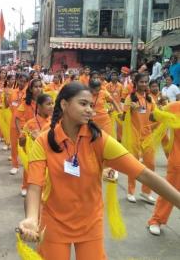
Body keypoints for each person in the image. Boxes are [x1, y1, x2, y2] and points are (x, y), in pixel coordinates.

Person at [18, 81, 180, 260]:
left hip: (90, 223)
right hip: (54, 223)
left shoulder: (99, 139)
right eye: (83, 104)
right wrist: (32, 219)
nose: (89, 110)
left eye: (91, 105)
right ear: (64, 104)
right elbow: (34, 186)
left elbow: (144, 174)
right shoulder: (44, 141)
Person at [123, 73, 157, 204]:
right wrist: (130, 110)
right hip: (134, 135)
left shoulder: (149, 99)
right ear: (135, 83)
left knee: (151, 164)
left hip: (147, 135)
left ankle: (146, 192)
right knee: (134, 164)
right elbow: (123, 117)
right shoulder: (130, 98)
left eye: (145, 82)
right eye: (141, 82)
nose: (143, 84)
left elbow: (154, 115)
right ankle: (130, 191)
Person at [148, 101, 180, 235]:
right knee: (169, 191)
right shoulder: (175, 106)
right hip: (178, 160)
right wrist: (159, 112)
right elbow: (152, 117)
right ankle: (156, 220)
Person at [18, 94, 53, 197]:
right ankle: (25, 187)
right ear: (39, 106)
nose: (51, 106)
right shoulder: (30, 124)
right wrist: (23, 139)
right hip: (34, 156)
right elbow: (21, 144)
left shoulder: (55, 122)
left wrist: (39, 137)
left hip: (50, 155)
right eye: (48, 104)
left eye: (52, 103)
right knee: (30, 170)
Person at [14, 79, 43, 175]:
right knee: (30, 162)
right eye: (36, 87)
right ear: (30, 89)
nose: (38, 89)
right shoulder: (26, 103)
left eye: (40, 86)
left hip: (42, 136)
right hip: (29, 137)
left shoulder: (45, 101)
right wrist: (21, 133)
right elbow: (17, 118)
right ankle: (25, 186)